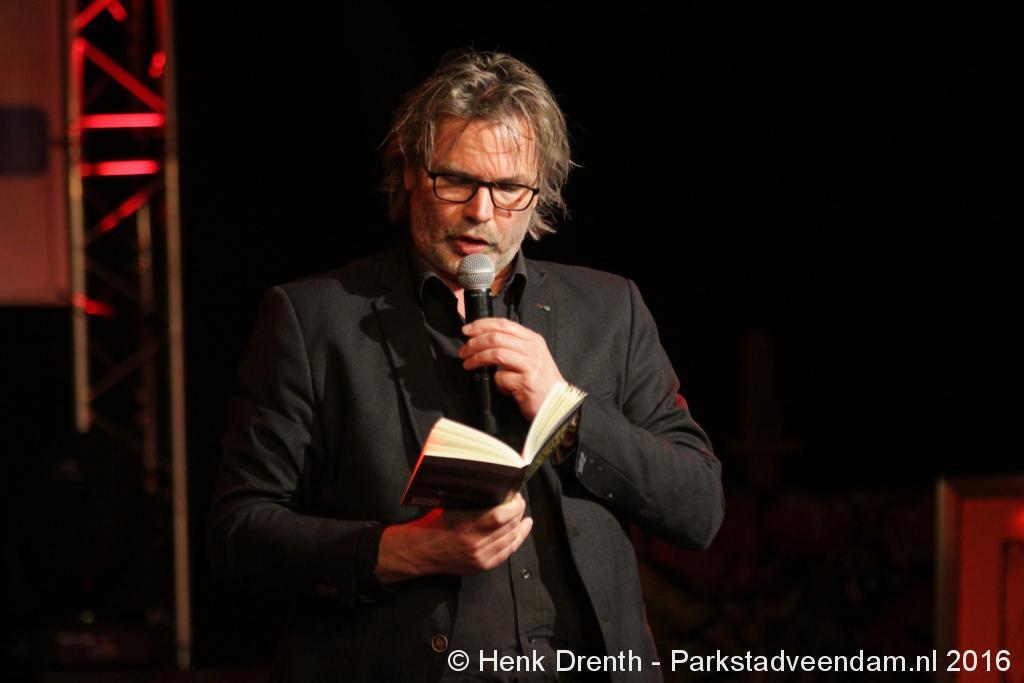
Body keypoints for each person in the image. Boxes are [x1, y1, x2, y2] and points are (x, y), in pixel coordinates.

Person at [209, 49, 724, 682]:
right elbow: (238, 534)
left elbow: (698, 509)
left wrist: (564, 407)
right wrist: (406, 550)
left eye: (508, 189)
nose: (482, 211)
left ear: (540, 193)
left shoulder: (609, 309)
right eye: (455, 181)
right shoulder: (313, 318)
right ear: (409, 172)